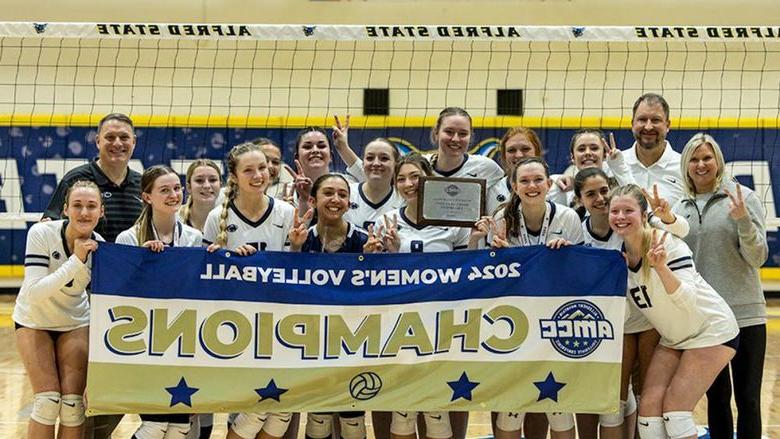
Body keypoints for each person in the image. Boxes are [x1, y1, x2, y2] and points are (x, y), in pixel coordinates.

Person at [609, 184, 739, 439]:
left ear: (644, 215)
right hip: (674, 337)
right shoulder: (619, 257)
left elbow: (687, 300)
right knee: (647, 413)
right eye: (615, 211)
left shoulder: (665, 243)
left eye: (628, 210)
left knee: (676, 411)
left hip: (710, 331)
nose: (621, 217)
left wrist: (661, 269)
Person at [573, 168, 689, 439]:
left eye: (604, 191)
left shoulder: (633, 220)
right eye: (591, 194)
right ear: (580, 199)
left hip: (650, 316)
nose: (600, 198)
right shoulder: (578, 230)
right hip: (614, 324)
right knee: (614, 400)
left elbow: (682, 230)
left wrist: (668, 216)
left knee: (647, 395)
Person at [379, 154, 483, 439]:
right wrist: (390, 252)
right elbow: (376, 279)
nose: (408, 184)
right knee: (403, 410)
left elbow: (467, 272)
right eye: (401, 179)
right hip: (400, 326)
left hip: (443, 325)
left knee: (437, 410)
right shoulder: (385, 220)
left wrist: (474, 239)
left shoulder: (455, 220)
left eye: (415, 176)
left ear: (429, 178)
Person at [673, 133, 768, 439]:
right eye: (694, 159)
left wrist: (742, 220)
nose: (701, 165)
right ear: (686, 166)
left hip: (746, 315)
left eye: (707, 158)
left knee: (748, 399)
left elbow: (758, 258)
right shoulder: (679, 207)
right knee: (716, 399)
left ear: (718, 162)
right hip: (707, 320)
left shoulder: (743, 197)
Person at [202, 142, 296, 439]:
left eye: (264, 167)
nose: (259, 174)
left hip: (281, 320)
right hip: (237, 324)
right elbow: (207, 276)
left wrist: (297, 245)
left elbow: (295, 271)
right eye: (249, 169)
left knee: (282, 405)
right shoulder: (217, 217)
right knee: (247, 405)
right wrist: (227, 259)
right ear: (234, 176)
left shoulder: (287, 213)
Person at [488, 157, 582, 439]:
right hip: (515, 325)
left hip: (556, 324)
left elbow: (580, 277)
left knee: (558, 406)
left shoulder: (568, 218)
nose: (532, 186)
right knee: (511, 404)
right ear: (514, 186)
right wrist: (499, 257)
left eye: (538, 180)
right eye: (525, 181)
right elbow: (490, 280)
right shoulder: (501, 220)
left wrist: (567, 256)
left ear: (549, 184)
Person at [287, 173, 381, 439]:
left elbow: (380, 292)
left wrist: (373, 262)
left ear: (350, 203)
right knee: (318, 417)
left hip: (354, 340)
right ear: (313, 200)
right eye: (328, 193)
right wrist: (294, 250)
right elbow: (285, 286)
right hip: (310, 339)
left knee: (352, 418)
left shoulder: (364, 240)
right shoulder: (300, 237)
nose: (335, 199)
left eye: (342, 194)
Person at [115, 165, 202, 438]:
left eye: (177, 188)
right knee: (155, 425)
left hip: (182, 339)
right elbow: (116, 293)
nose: (174, 194)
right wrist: (140, 261)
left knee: (179, 426)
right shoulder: (128, 239)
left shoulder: (193, 238)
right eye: (164, 190)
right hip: (144, 341)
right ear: (147, 197)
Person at [15, 180, 104, 439]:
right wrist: (76, 260)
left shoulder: (101, 247)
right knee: (47, 401)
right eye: (77, 205)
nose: (84, 213)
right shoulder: (42, 234)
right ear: (65, 209)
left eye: (91, 206)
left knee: (73, 406)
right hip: (34, 320)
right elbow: (34, 293)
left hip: (74, 322)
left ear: (101, 211)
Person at [43, 113, 143, 243]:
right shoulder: (75, 179)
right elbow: (49, 227)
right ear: (98, 141)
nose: (117, 143)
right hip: (85, 262)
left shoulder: (143, 184)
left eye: (124, 137)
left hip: (131, 262)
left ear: (134, 141)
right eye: (110, 137)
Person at [425, 107, 505, 217]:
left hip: (473, 234)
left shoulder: (486, 167)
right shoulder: (421, 166)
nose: (455, 139)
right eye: (449, 132)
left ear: (470, 136)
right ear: (436, 133)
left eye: (463, 134)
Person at [548, 130, 634, 212]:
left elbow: (638, 202)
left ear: (604, 155)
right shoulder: (565, 188)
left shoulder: (617, 186)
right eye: (581, 149)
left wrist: (619, 167)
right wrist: (556, 180)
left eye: (594, 148)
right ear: (572, 157)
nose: (588, 153)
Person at [623, 93, 684, 205]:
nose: (648, 127)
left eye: (656, 120)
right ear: (632, 124)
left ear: (668, 125)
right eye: (642, 119)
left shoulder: (685, 168)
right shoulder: (614, 165)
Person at [342, 137, 403, 230]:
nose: (376, 163)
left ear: (396, 164)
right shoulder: (346, 193)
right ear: (363, 163)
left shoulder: (403, 199)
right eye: (370, 158)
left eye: (384, 158)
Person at [488, 127, 543, 214]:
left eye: (525, 149)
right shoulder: (492, 191)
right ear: (504, 156)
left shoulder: (557, 187)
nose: (519, 155)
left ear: (537, 152)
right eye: (511, 150)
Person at [179, 159, 222, 231]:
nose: (207, 186)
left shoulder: (231, 218)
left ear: (220, 185)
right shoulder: (175, 218)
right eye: (199, 180)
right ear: (189, 187)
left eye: (213, 180)